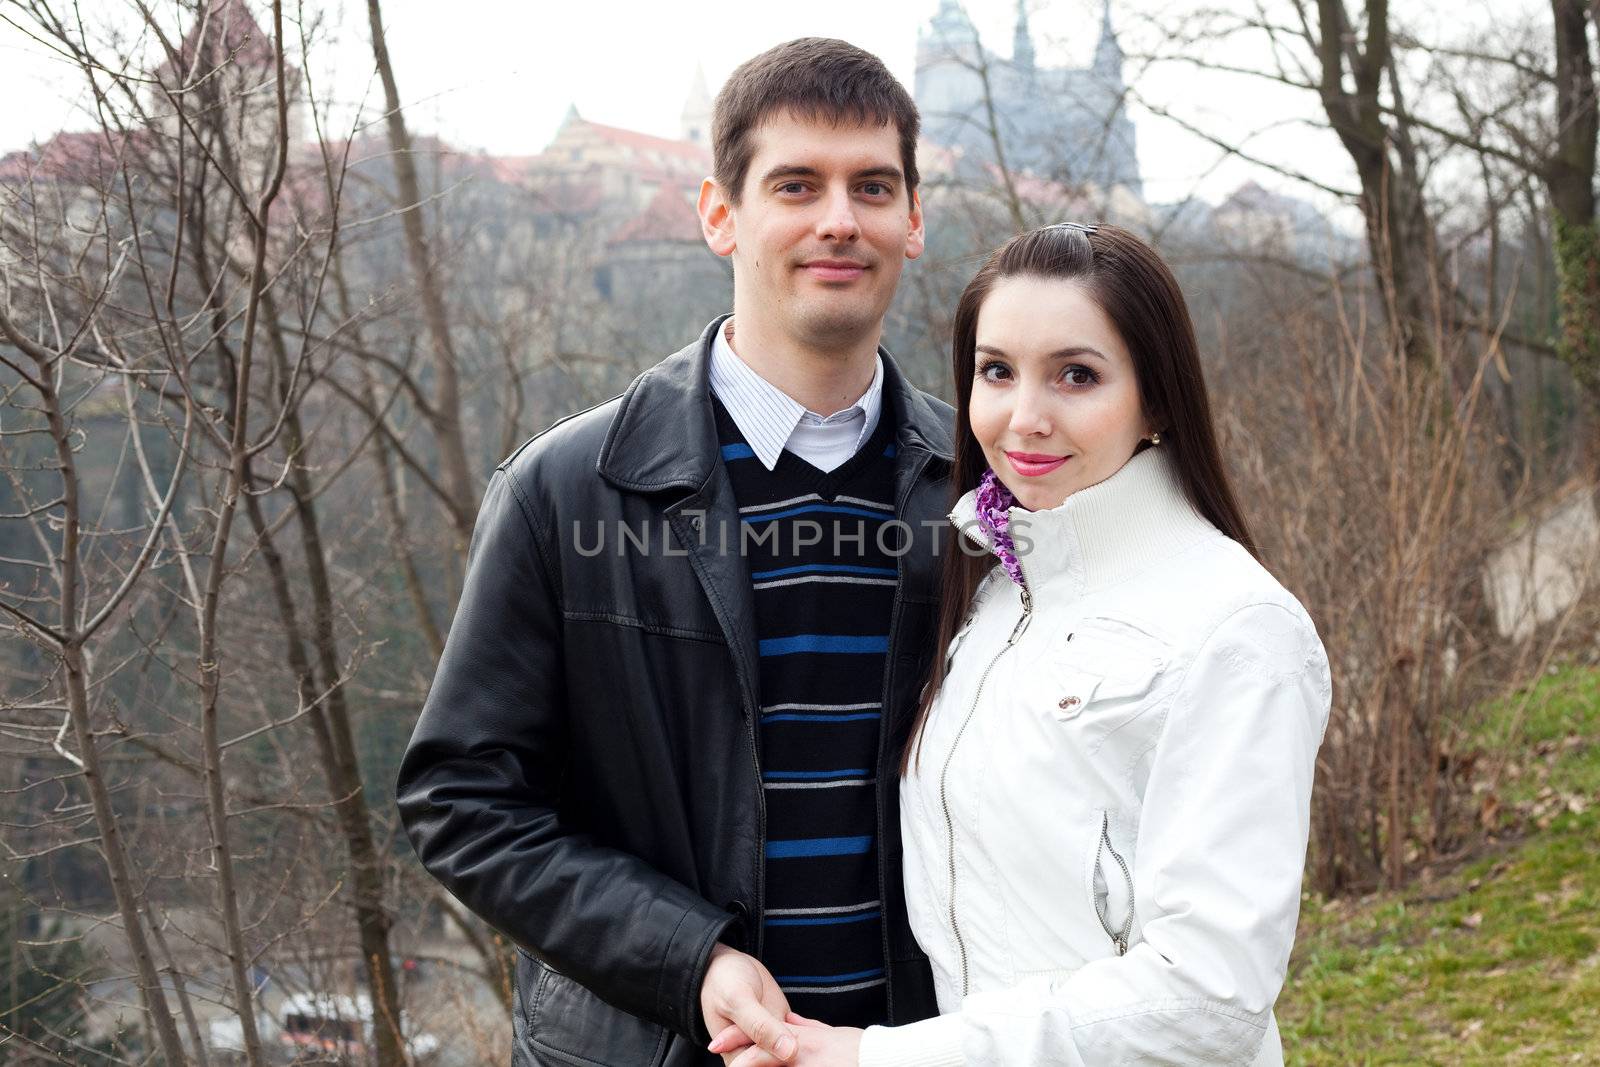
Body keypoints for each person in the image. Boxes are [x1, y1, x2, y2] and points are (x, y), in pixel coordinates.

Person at [395, 38, 951, 1067]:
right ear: (718, 214)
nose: (839, 217)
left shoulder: (981, 495)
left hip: (919, 1047)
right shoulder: (565, 489)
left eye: (872, 186)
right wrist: (686, 958)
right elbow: (461, 800)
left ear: (912, 220)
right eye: (797, 183)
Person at [711, 224, 1332, 1066]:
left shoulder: (1238, 628)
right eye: (997, 371)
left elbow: (1208, 994)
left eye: (1077, 374)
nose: (1025, 418)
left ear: (1155, 398)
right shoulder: (993, 590)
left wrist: (879, 1059)